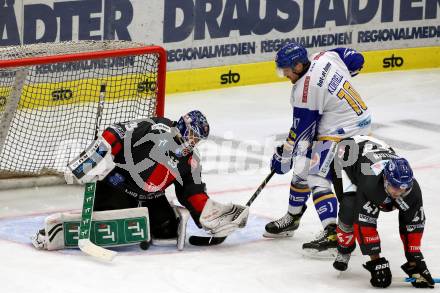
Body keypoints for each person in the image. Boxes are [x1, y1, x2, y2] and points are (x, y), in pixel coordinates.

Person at [32, 110, 249, 251]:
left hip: (151, 198)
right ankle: (54, 232)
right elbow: (116, 132)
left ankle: (146, 218)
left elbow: (191, 193)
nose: (192, 143)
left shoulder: (190, 161)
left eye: (197, 140)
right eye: (191, 135)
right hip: (117, 186)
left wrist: (210, 216)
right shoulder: (155, 128)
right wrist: (90, 161)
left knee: (167, 230)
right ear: (182, 126)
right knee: (108, 230)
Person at [263, 42, 370, 257]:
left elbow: (302, 134)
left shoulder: (304, 92)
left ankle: (332, 232)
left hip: (341, 131)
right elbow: (356, 60)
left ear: (299, 66)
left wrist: (283, 156)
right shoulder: (324, 57)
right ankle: (292, 218)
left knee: (316, 176)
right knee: (303, 167)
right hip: (360, 119)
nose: (284, 74)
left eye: (286, 69)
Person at [332, 135, 435, 289]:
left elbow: (413, 225)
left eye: (404, 187)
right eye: (395, 186)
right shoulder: (371, 185)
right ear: (385, 179)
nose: (399, 192)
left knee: (397, 205)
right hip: (347, 155)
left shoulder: (412, 190)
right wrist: (376, 262)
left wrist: (415, 262)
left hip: (374, 149)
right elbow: (365, 224)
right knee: (349, 209)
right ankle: (344, 248)